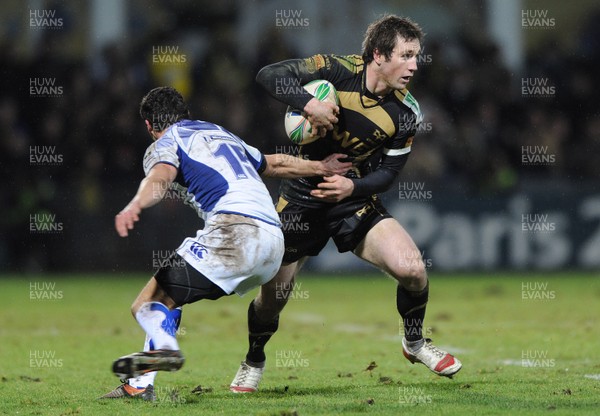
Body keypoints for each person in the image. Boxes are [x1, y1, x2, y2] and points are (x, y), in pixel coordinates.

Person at [229, 15, 462, 393]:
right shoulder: (335, 70)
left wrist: (349, 189)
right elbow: (268, 75)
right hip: (301, 199)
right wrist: (309, 104)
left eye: (417, 56)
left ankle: (415, 342)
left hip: (352, 198)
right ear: (378, 55)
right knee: (272, 300)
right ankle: (254, 358)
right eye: (406, 55)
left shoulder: (406, 113)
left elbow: (387, 174)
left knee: (414, 270)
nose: (415, 65)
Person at [101, 86, 351, 401]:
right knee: (167, 300)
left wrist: (135, 204)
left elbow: (160, 177)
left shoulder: (166, 141)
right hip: (274, 243)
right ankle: (139, 386)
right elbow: (272, 164)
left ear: (149, 126)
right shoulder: (220, 133)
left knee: (145, 305)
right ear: (185, 114)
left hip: (236, 234)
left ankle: (165, 351)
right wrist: (321, 167)